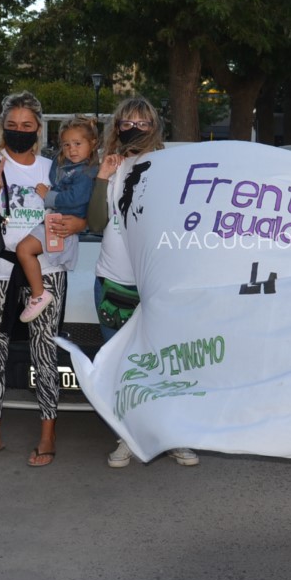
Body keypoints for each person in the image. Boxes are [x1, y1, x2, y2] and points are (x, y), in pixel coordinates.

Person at [0, 92, 87, 467]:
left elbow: (78, 211)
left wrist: (79, 224)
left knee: (45, 353)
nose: (20, 130)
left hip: (46, 271)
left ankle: (47, 434)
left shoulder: (53, 167)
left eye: (27, 125)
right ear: (4, 126)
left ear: (38, 128)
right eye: (13, 125)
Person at [90, 97, 200, 468]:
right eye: (127, 122)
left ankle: (172, 437)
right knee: (122, 366)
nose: (134, 128)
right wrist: (102, 176)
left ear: (154, 126)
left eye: (142, 122)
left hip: (155, 286)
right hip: (113, 282)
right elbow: (95, 223)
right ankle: (128, 435)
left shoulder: (171, 167)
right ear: (117, 126)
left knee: (165, 365)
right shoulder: (112, 165)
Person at [6, 116, 96, 324]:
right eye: (66, 145)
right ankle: (39, 293)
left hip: (62, 223)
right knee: (25, 251)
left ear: (92, 144)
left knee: (24, 250)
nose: (72, 150)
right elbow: (56, 166)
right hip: (56, 221)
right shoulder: (68, 165)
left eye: (78, 144)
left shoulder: (86, 173)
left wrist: (48, 196)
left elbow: (75, 199)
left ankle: (39, 294)